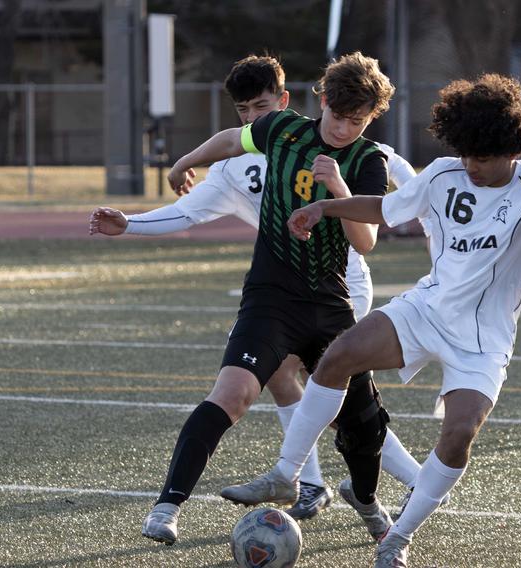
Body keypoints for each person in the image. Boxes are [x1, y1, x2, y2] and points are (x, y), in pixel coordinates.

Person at [219, 74, 521, 567]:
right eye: (466, 154)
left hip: (482, 339)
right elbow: (385, 209)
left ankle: (397, 539)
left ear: (512, 148)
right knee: (337, 357)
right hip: (425, 310)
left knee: (460, 431)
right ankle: (286, 472)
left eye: (483, 158)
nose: (472, 166)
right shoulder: (445, 172)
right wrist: (325, 206)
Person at [97, 52, 402, 545]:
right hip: (271, 297)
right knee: (232, 394)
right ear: (320, 101)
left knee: (362, 424)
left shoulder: (368, 161)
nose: (344, 129)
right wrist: (186, 161)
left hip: (331, 305)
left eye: (357, 121)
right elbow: (231, 140)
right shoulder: (281, 128)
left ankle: (364, 499)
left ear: (371, 118)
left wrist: (336, 187)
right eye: (337, 116)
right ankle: (166, 507)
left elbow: (365, 242)